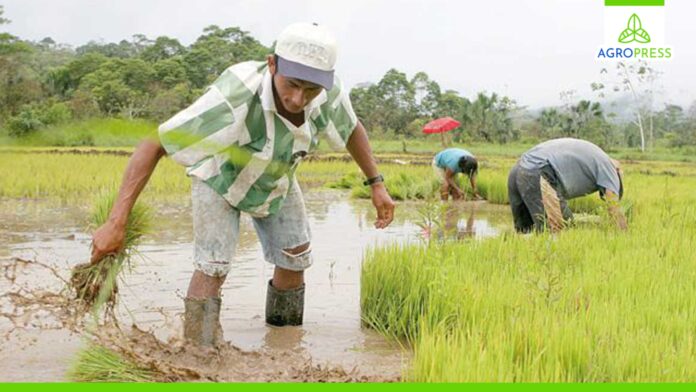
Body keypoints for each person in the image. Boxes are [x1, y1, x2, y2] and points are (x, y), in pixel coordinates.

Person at [89, 23, 395, 346]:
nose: (297, 98)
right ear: (272, 64)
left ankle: (283, 347)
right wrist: (116, 221)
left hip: (277, 176)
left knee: (294, 258)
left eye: (311, 90)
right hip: (220, 178)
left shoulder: (328, 94)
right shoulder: (233, 97)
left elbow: (351, 128)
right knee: (214, 265)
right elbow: (155, 144)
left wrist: (376, 183)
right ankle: (198, 351)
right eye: (291, 84)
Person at [507, 138, 626, 233]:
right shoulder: (610, 170)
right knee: (563, 229)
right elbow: (613, 207)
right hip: (539, 171)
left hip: (519, 167)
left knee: (526, 232)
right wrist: (625, 235)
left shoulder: (598, 157)